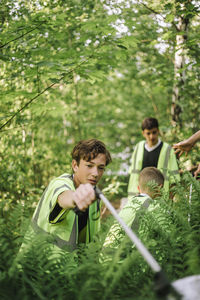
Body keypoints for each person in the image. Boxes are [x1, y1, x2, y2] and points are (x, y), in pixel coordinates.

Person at [21, 139, 112, 253]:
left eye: (101, 168)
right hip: (35, 266)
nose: (95, 173)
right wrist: (76, 198)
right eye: (89, 165)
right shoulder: (59, 184)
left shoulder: (94, 199)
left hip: (70, 268)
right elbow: (64, 198)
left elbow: (88, 245)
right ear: (75, 165)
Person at [101, 167, 166, 262]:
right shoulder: (155, 207)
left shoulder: (129, 204)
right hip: (122, 263)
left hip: (105, 258)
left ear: (138, 188)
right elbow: (167, 236)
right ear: (160, 188)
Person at [128, 117, 180, 197]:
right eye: (148, 133)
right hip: (138, 196)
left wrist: (171, 197)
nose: (151, 136)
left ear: (158, 131)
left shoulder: (168, 149)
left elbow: (174, 178)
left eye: (154, 132)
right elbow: (133, 174)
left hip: (160, 196)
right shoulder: (138, 147)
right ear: (143, 133)